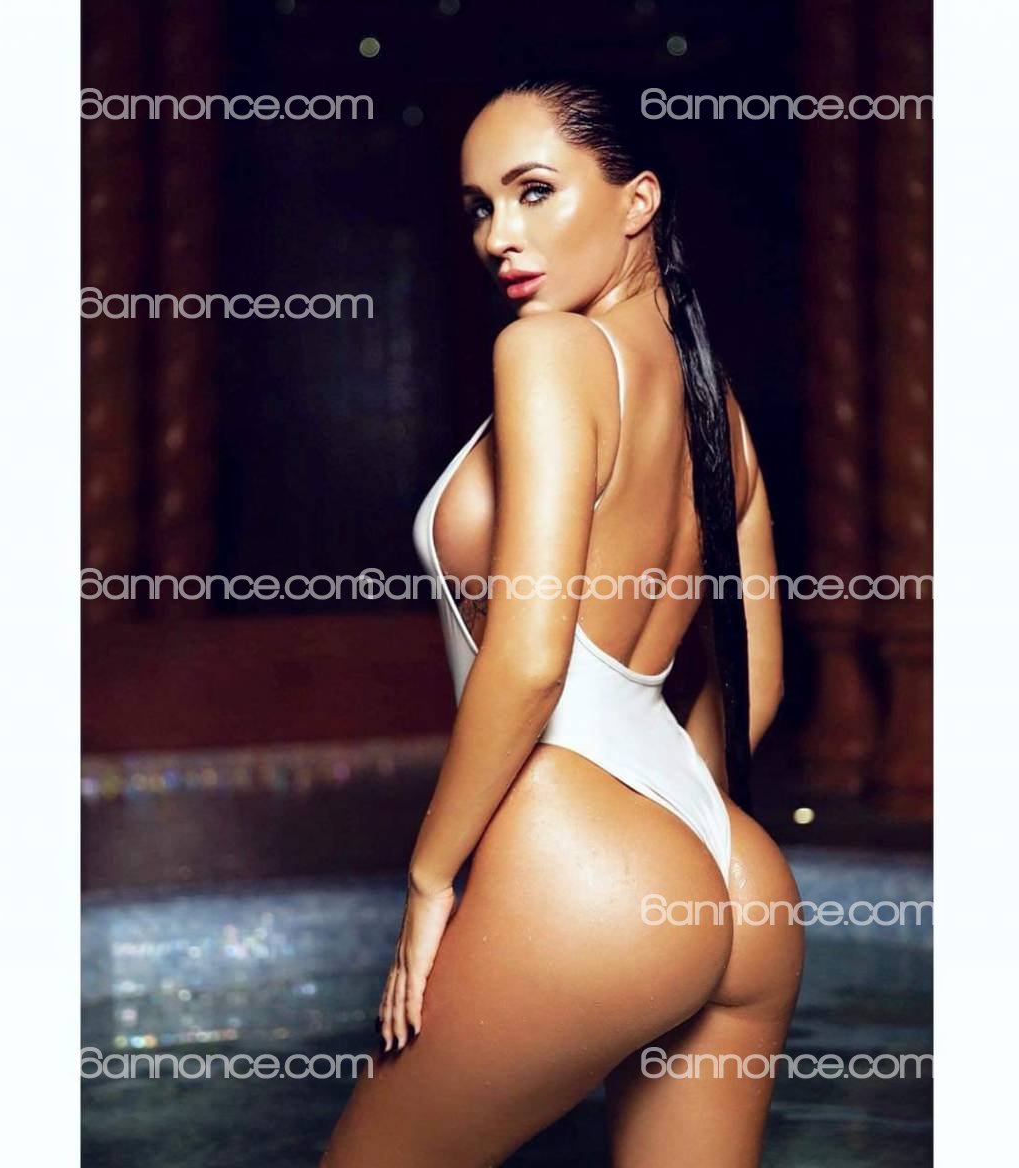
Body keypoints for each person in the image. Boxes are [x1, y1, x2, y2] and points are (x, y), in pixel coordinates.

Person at [321, 78, 804, 1168]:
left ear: (638, 199)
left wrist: (430, 876)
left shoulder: (545, 352)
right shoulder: (719, 412)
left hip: (576, 862)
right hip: (734, 868)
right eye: (479, 207)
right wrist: (670, 841)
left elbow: (532, 656)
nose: (499, 235)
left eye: (534, 191)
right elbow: (758, 684)